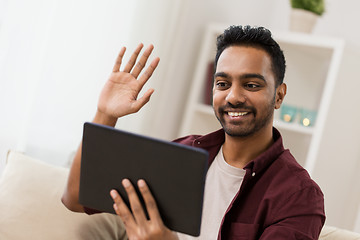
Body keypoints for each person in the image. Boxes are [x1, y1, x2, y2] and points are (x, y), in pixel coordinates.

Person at [62, 25, 325, 239]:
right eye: (222, 83)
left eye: (251, 85)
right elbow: (75, 199)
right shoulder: (181, 154)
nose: (233, 97)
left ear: (279, 95)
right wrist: (105, 114)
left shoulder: (298, 196)